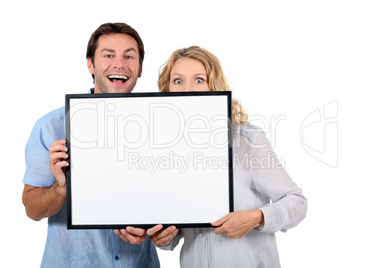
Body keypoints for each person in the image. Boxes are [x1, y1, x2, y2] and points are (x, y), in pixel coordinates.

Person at [116, 46, 308, 268]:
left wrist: (256, 218)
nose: (187, 90)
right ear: (167, 89)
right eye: (178, 81)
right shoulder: (163, 153)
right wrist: (164, 237)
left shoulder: (246, 140)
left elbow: (298, 202)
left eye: (199, 80)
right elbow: (175, 234)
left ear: (213, 85)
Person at [22, 22, 160, 268]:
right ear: (90, 64)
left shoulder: (161, 129)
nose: (119, 64)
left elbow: (169, 201)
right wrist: (62, 188)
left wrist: (157, 230)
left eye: (129, 56)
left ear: (139, 69)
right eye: (108, 55)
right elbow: (32, 209)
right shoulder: (51, 127)